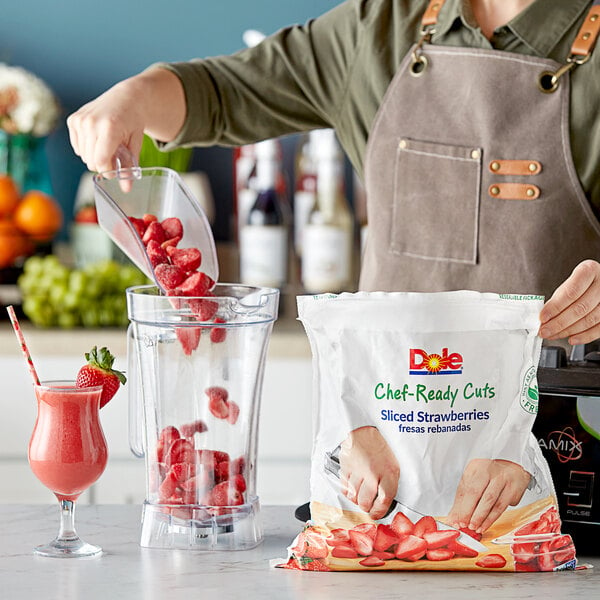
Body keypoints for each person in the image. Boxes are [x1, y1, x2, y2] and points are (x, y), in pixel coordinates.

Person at [67, 0, 600, 532]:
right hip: (385, 479)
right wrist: (134, 99)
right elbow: (223, 90)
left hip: (557, 471)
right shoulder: (379, 29)